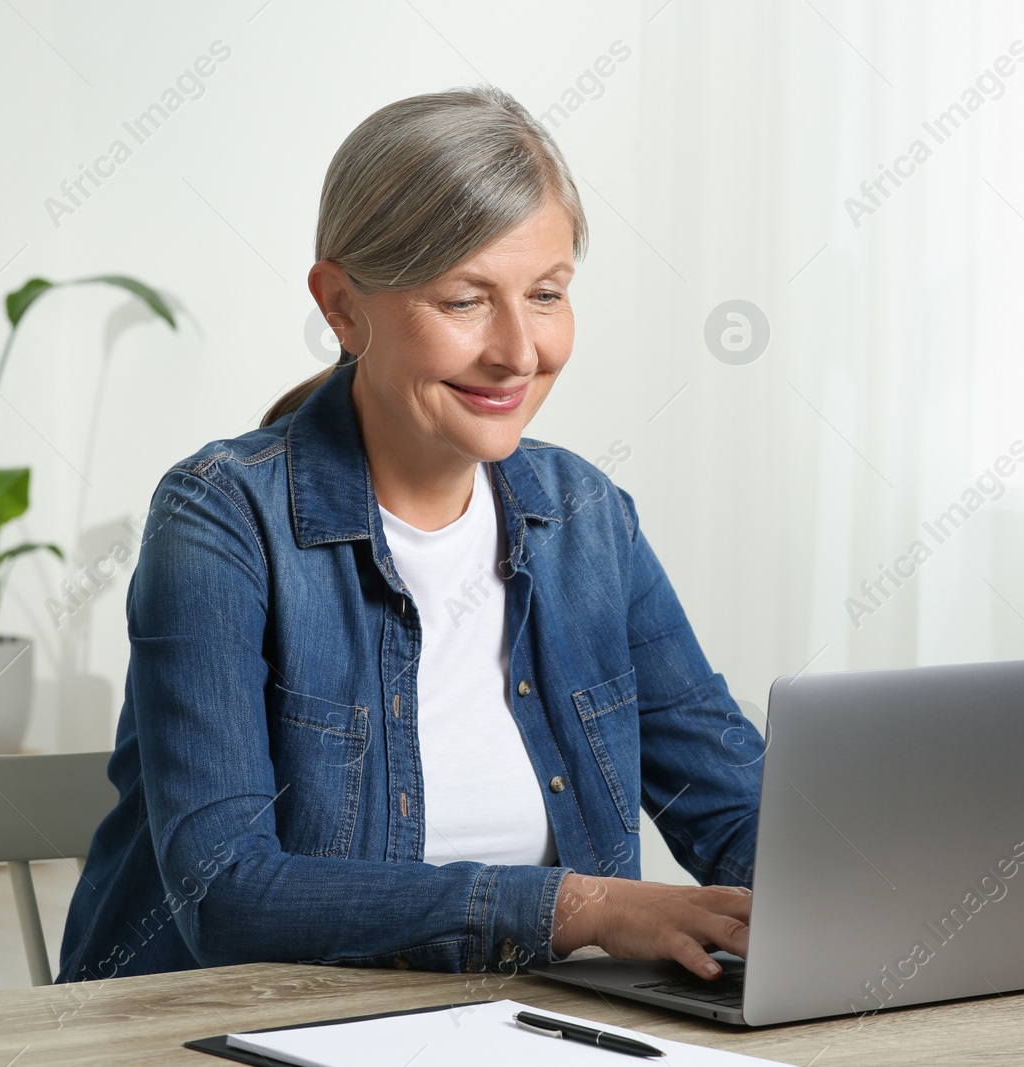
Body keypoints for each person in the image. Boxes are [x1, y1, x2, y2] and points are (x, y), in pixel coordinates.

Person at [56, 84, 763, 986]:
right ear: (344, 307)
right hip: (230, 1028)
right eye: (466, 301)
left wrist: (868, 881)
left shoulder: (587, 517)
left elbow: (734, 808)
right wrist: (578, 908)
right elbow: (226, 893)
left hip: (512, 1028)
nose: (518, 350)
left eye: (545, 294)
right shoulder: (220, 518)